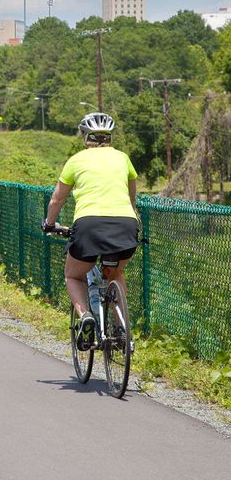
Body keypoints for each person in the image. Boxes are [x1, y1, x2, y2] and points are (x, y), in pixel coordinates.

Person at [42, 112, 138, 349]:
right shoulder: (123, 159)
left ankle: (85, 316)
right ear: (109, 137)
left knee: (73, 275)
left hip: (89, 226)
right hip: (126, 224)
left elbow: (57, 199)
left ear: (86, 137)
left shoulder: (76, 160)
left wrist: (50, 223)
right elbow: (132, 196)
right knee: (115, 274)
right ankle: (122, 329)